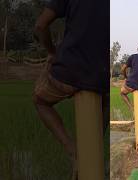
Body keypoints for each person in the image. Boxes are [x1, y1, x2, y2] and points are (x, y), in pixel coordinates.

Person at [32, 0, 108, 178]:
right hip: (101, 77)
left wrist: (52, 52)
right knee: (106, 102)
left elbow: (40, 26)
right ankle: (93, 147)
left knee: (40, 101)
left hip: (69, 73)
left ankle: (73, 150)